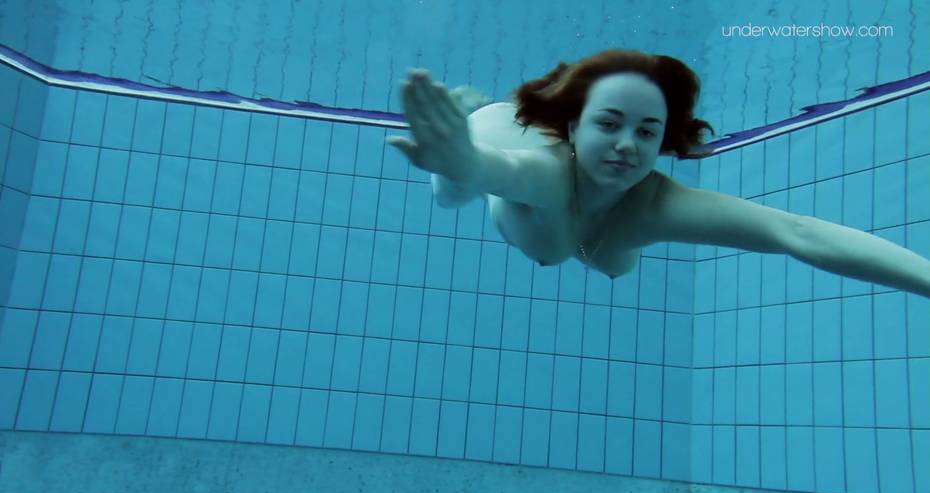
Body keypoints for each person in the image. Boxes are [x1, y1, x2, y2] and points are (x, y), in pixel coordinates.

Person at [386, 49, 930, 298]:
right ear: (573, 128)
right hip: (491, 136)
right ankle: (472, 115)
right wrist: (463, 164)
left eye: (648, 132)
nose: (627, 145)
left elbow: (796, 232)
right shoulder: (545, 172)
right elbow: (500, 168)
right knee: (455, 192)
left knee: (614, 260)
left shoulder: (658, 204)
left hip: (598, 232)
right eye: (608, 124)